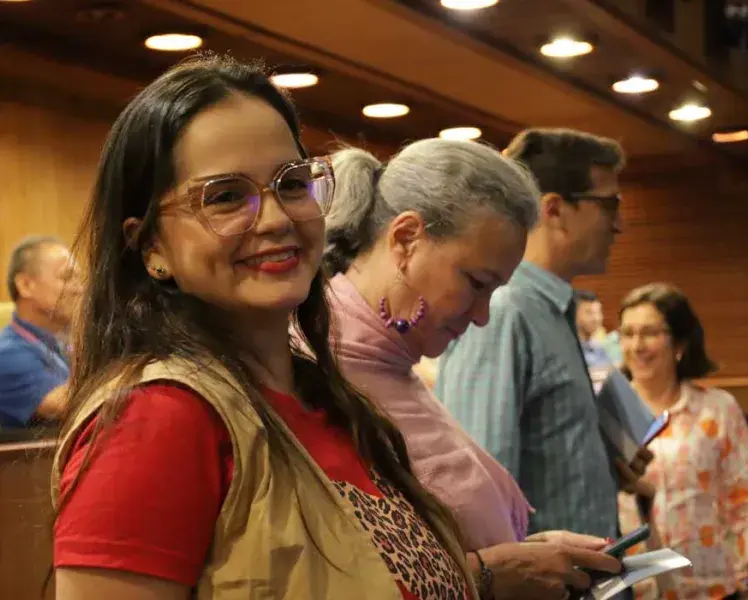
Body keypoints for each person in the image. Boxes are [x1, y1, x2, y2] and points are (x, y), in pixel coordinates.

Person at [51, 55, 477, 600]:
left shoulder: (330, 400)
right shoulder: (156, 419)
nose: (276, 219)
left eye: (292, 184)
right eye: (226, 197)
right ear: (150, 245)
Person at [323, 141, 621, 600]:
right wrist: (488, 574)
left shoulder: (391, 362)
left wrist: (526, 556)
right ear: (406, 239)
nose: (482, 315)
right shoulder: (311, 371)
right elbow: (330, 576)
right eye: (476, 283)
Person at [436, 128, 650, 542]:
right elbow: (479, 489)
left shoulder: (552, 309)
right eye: (610, 205)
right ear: (554, 209)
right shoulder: (505, 312)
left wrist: (600, 464)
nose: (620, 224)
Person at [617, 282, 748, 600]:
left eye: (650, 333)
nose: (637, 345)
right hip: (633, 590)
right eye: (627, 333)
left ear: (679, 342)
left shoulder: (717, 409)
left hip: (713, 588)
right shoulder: (608, 413)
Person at [0, 236, 80, 427]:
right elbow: (71, 405)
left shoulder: (61, 341)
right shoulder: (7, 354)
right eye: (67, 277)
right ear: (26, 285)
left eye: (79, 278)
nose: (79, 289)